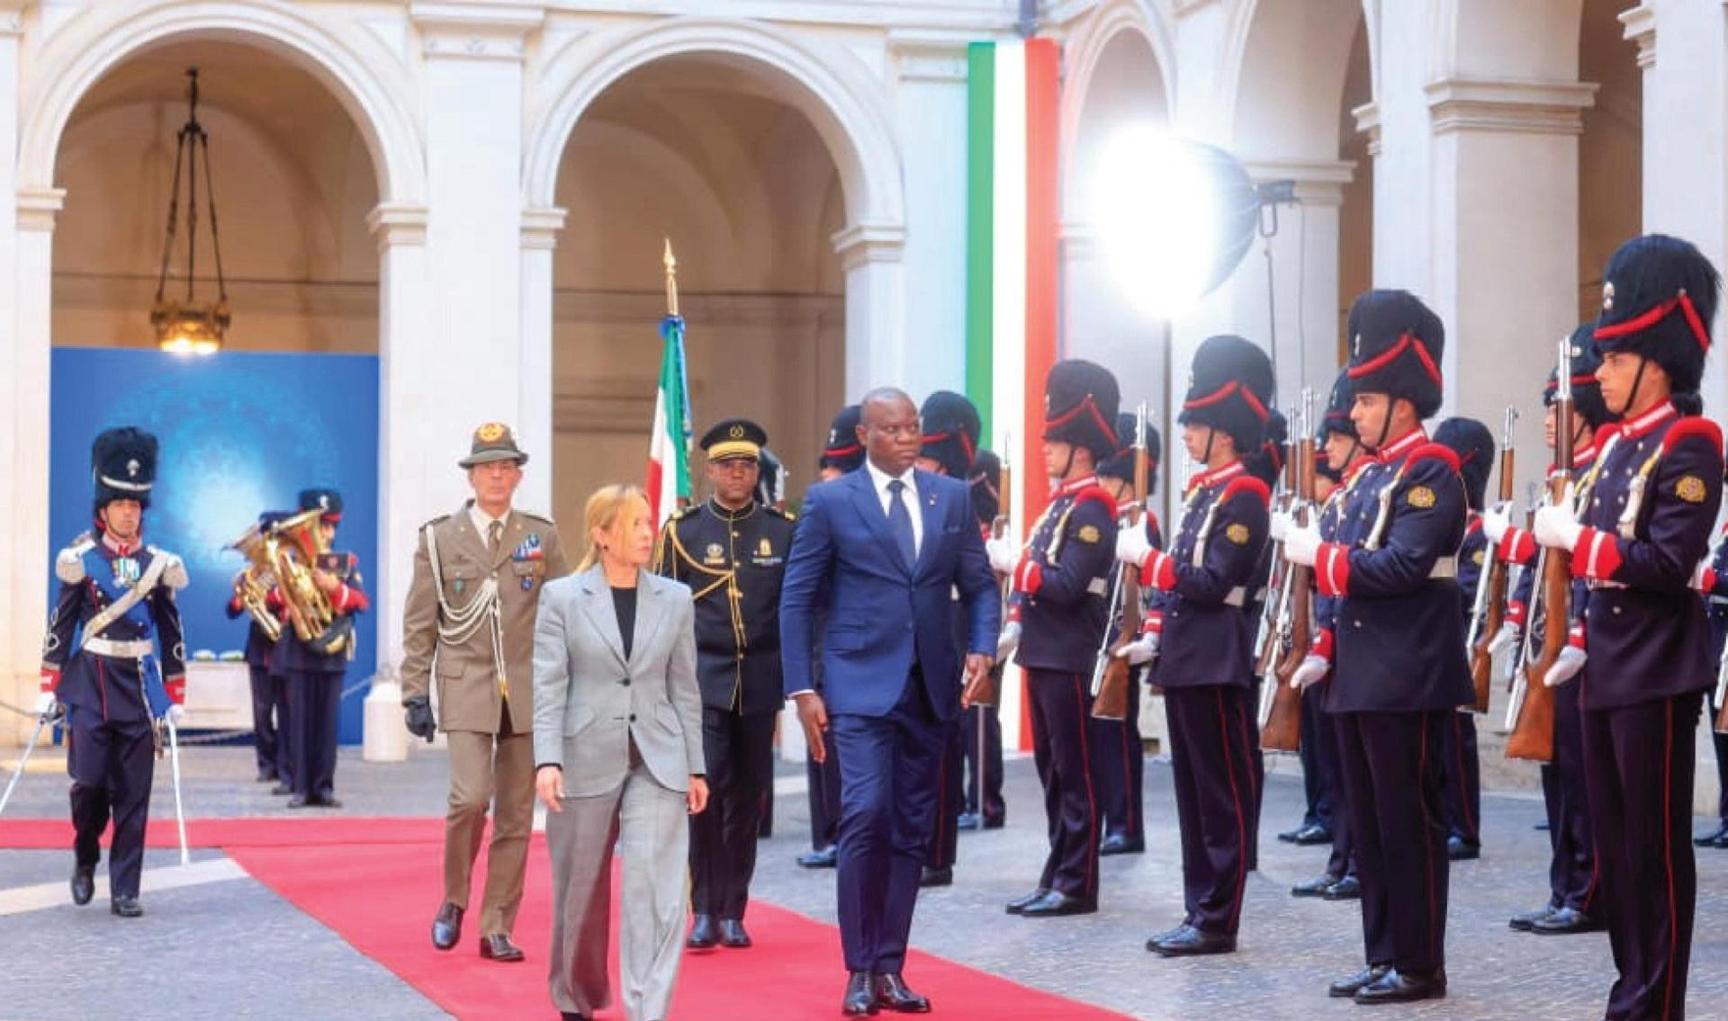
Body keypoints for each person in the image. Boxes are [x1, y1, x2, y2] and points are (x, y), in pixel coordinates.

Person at [1528, 234, 1722, 1021]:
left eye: (1613, 359)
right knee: (1615, 845)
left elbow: (1668, 560)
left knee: (1656, 852)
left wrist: (1581, 542)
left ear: (1657, 363)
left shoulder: (1690, 443)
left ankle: (1658, 1001)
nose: (1598, 374)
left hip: (1656, 667)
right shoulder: (1613, 452)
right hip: (1606, 664)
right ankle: (1629, 990)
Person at [780, 387, 999, 1016]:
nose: (908, 438)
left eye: (913, 428)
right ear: (868, 437)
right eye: (894, 429)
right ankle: (857, 966)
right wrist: (802, 688)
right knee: (865, 813)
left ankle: (889, 968)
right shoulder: (829, 502)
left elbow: (979, 586)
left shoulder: (950, 498)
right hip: (856, 684)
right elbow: (798, 601)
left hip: (930, 688)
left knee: (909, 829)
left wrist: (982, 646)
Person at [1283, 289, 1471, 1003]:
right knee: (1369, 823)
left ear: (1401, 402)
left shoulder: (1430, 469)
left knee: (1408, 823)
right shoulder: (1370, 478)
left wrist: (1319, 556)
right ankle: (1383, 950)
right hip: (1363, 670)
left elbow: (1399, 567)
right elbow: (1356, 574)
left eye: (1364, 401)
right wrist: (1325, 639)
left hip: (1408, 672)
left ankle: (1420, 962)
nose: (1353, 413)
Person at [1118, 335, 1273, 956]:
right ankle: (1198, 907)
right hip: (1190, 656)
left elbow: (1213, 582)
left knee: (1219, 793)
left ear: (1226, 434)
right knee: (1192, 795)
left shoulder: (1245, 496)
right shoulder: (1206, 493)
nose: (1186, 436)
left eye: (1197, 426)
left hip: (1217, 656)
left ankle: (1218, 916)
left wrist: (1150, 563)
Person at [534, 484, 709, 1021]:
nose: (646, 532)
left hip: (658, 758)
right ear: (602, 534)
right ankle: (576, 997)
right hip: (583, 755)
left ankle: (646, 1010)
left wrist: (696, 766)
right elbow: (548, 685)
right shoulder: (562, 597)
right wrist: (547, 759)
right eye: (634, 524)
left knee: (655, 894)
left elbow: (685, 688)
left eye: (647, 521)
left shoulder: (675, 599)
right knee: (579, 892)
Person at [400, 422, 569, 962]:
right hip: (467, 684)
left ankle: (497, 923)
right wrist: (413, 691)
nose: (496, 475)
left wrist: (569, 687)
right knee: (469, 798)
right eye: (486, 466)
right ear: (471, 475)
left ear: (518, 475)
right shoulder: (439, 538)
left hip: (525, 689)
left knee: (517, 815)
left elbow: (564, 613)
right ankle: (453, 899)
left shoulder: (541, 537)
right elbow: (420, 620)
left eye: (506, 465)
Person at [1484, 327, 1611, 935]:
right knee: (1558, 775)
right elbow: (1540, 566)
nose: (1546, 422)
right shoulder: (1569, 480)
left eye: (1557, 408)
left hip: (1583, 649)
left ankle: (1590, 892)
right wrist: (1515, 619)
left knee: (1586, 781)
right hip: (1548, 644)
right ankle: (1567, 884)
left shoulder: (1598, 476)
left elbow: (1586, 561)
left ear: (1584, 412)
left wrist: (1579, 634)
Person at [654, 418, 794, 949]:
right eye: (728, 465)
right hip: (701, 681)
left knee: (748, 794)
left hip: (759, 680)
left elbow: (793, 608)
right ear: (710, 470)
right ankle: (705, 908)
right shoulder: (684, 532)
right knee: (706, 793)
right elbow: (664, 612)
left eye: (747, 465)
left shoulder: (782, 532)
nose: (738, 474)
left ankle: (735, 906)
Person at [37, 427, 187, 918]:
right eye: (120, 503)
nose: (129, 511)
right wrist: (48, 684)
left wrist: (175, 690)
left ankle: (126, 888)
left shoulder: (159, 565)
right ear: (103, 510)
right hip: (91, 683)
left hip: (139, 688)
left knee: (134, 794)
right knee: (88, 786)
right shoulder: (80, 563)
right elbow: (60, 626)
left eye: (136, 505)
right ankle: (85, 854)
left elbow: (171, 629)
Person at [991, 359, 1120, 918]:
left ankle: (1078, 880)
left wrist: (1018, 567)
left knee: (1076, 773)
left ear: (1082, 450)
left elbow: (1067, 584)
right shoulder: (1061, 506)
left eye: (1058, 442)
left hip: (1070, 653)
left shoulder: (1094, 507)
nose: (1047, 451)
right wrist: (1016, 613)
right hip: (1043, 651)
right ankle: (1057, 869)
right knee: (1051, 771)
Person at [1287, 372, 1369, 903]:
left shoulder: (1356, 494)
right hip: (1334, 647)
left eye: (1337, 438)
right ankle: (1343, 857)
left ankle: (1357, 861)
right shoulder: (1343, 499)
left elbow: (1348, 575)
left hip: (1360, 650)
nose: (1331, 447)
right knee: (1338, 771)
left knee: (1358, 778)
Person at [913, 390, 985, 888]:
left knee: (941, 741)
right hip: (920, 626)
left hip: (952, 625)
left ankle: (937, 854)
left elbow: (974, 583)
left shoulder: (962, 503)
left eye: (927, 457)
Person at [1091, 412, 1163, 857]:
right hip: (1093, 637)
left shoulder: (1142, 522)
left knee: (1117, 735)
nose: (1099, 479)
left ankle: (1126, 824)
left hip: (1121, 640)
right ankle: (1107, 818)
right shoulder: (1105, 515)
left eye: (1107, 473)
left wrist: (1141, 636)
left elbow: (1150, 584)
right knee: (1097, 737)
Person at [798, 404, 864, 870]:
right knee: (819, 743)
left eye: (839, 468)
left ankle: (846, 833)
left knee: (846, 749)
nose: (829, 476)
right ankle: (826, 832)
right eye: (828, 468)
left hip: (851, 645)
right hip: (821, 641)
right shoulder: (820, 511)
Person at [276, 488, 367, 810]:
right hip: (300, 651)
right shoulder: (291, 562)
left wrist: (335, 589)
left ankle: (323, 786)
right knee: (299, 722)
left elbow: (361, 602)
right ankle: (301, 787)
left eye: (328, 527)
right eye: (318, 526)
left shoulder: (344, 563)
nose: (324, 533)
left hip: (333, 650)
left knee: (327, 725)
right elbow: (274, 598)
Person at [1432, 419, 1493, 862]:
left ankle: (1465, 827)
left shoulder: (1477, 533)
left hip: (1459, 639)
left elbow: (1469, 588)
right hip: (1433, 641)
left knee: (1457, 739)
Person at [959, 449, 1008, 833]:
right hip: (963, 628)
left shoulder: (995, 535)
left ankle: (987, 802)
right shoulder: (970, 528)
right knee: (965, 721)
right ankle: (968, 799)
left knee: (981, 719)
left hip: (991, 633)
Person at [226, 509, 291, 788]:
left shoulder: (290, 568)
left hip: (287, 649)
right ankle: (267, 766)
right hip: (259, 651)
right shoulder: (250, 574)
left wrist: (275, 598)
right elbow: (231, 610)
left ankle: (289, 765)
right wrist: (242, 600)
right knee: (262, 715)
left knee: (288, 712)